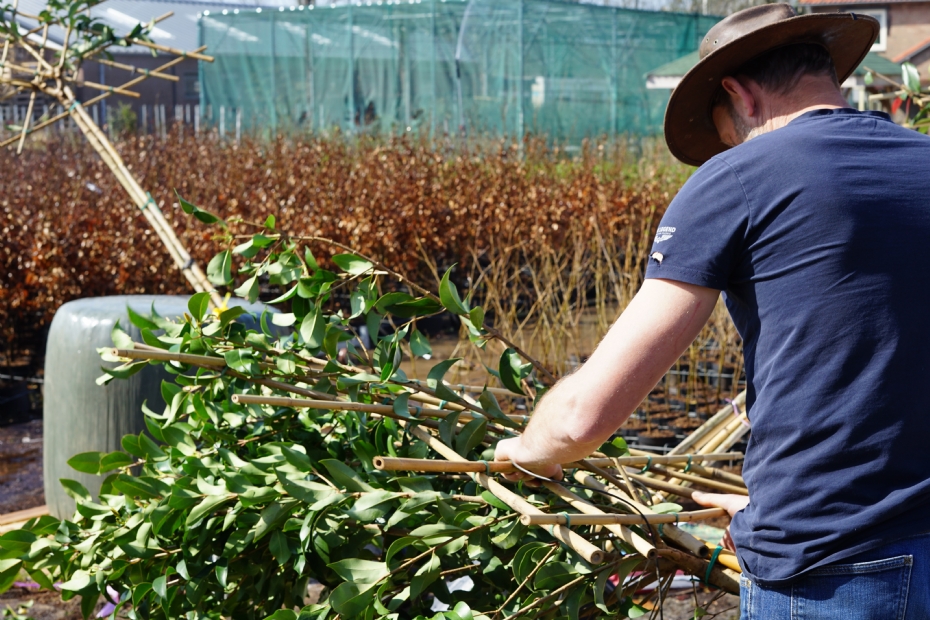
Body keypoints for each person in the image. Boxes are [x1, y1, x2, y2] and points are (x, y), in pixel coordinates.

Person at [494, 4, 930, 618]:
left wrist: (529, 447)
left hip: (832, 565)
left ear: (739, 95)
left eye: (723, 133)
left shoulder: (744, 176)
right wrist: (763, 504)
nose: (727, 149)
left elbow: (584, 417)